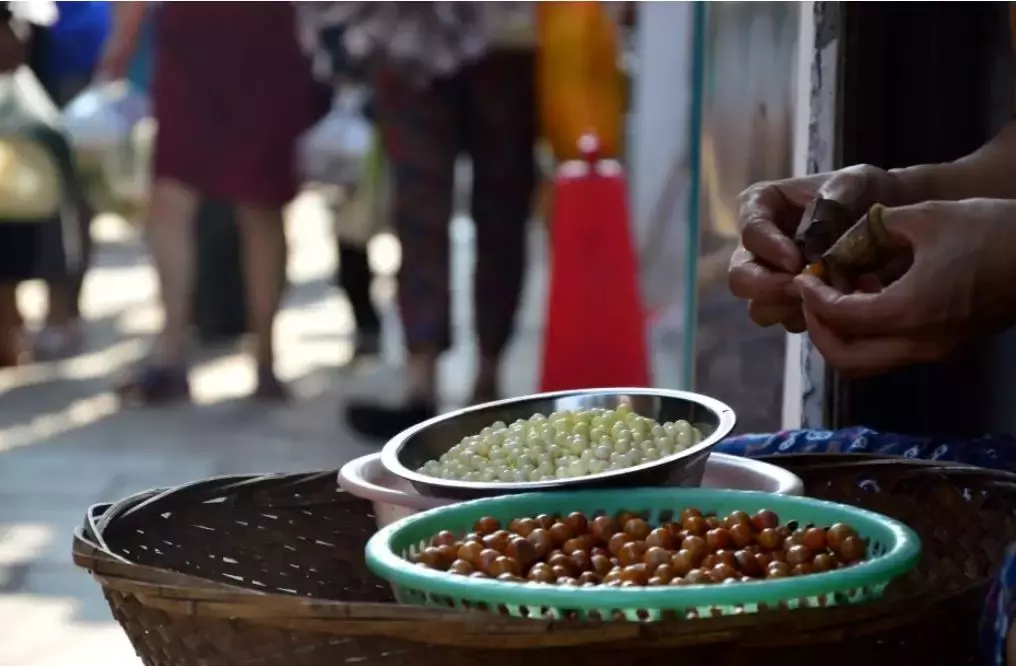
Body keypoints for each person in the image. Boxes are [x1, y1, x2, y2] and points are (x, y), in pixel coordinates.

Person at [301, 3, 537, 440]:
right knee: (422, 219)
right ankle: (423, 382)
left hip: (504, 40)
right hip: (409, 39)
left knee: (499, 214)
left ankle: (486, 382)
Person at [98, 2, 327, 404]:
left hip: (259, 38)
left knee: (258, 200)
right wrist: (123, 39)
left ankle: (260, 357)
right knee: (182, 194)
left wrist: (122, 42)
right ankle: (184, 353)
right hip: (209, 39)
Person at [23, 0, 106, 359]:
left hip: (65, 51)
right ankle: (55, 314)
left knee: (65, 190)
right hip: (46, 48)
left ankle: (63, 313)